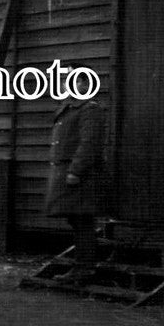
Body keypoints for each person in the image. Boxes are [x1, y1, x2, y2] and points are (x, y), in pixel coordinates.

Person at [45, 92, 108, 284]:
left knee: (83, 220)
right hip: (66, 170)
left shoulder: (90, 109)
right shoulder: (70, 107)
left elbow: (89, 143)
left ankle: (84, 269)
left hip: (81, 174)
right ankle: (81, 268)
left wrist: (76, 171)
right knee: (77, 219)